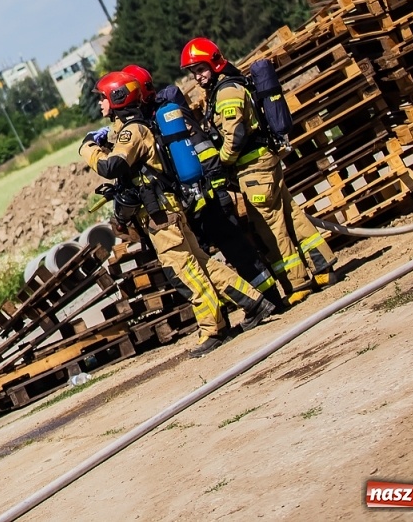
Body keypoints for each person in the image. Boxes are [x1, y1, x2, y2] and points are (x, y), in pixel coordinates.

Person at [79, 70, 274, 357]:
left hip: (161, 217)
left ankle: (213, 328)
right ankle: (255, 303)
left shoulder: (134, 131)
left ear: (117, 97)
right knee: (202, 264)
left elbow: (112, 167)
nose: (100, 104)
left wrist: (88, 149)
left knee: (183, 272)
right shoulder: (133, 128)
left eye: (103, 98)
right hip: (168, 209)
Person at [180, 37, 338, 305]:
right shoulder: (227, 86)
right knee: (290, 214)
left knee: (270, 226)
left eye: (201, 69)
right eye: (193, 72)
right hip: (264, 162)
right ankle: (323, 267)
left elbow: (235, 135)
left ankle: (298, 283)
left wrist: (222, 162)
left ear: (215, 63)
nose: (197, 77)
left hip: (253, 168)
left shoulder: (227, 92)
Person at [122, 64, 285, 309]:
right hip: (203, 195)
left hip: (204, 198)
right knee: (235, 252)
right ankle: (266, 300)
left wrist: (214, 186)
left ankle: (265, 302)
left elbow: (201, 151)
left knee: (226, 254)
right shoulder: (166, 114)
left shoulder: (160, 119)